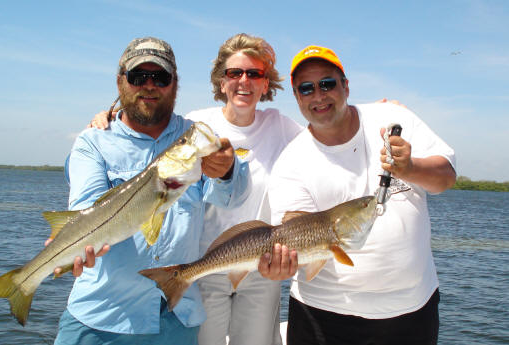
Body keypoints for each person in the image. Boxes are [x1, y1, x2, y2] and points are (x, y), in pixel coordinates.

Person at [89, 33, 303, 345]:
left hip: (262, 266)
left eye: (255, 73)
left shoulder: (282, 127)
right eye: (234, 73)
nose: (244, 81)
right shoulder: (194, 125)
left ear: (266, 83)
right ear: (221, 81)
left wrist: (377, 113)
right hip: (204, 262)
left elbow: (324, 135)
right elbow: (150, 153)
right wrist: (109, 118)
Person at [53, 37, 249, 345]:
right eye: (138, 76)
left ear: (175, 84)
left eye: (160, 77)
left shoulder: (195, 137)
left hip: (174, 320)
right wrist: (71, 245)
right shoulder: (93, 142)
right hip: (101, 319)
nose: (149, 85)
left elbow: (232, 196)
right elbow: (85, 208)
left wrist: (226, 170)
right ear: (121, 81)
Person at [258, 45, 456, 345]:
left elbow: (446, 177)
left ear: (346, 86)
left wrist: (410, 168)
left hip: (412, 312)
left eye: (327, 83)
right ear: (297, 97)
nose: (319, 95)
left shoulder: (391, 118)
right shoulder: (290, 162)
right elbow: (292, 239)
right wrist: (278, 267)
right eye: (307, 89)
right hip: (322, 316)